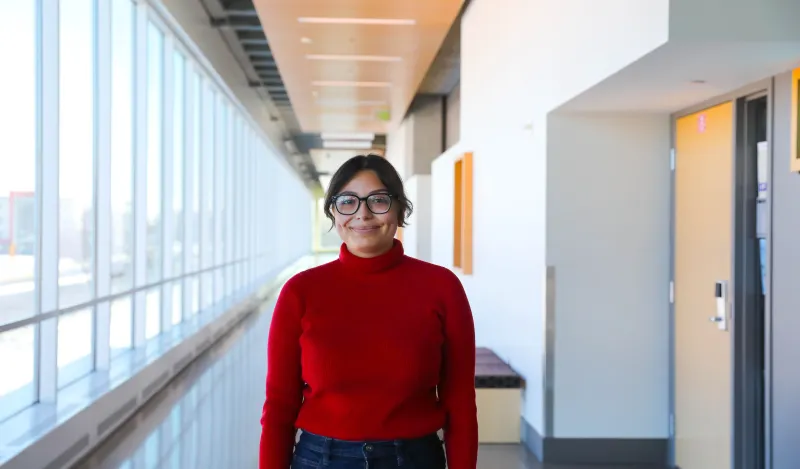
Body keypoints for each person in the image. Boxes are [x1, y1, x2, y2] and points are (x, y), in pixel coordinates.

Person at [259, 154, 478, 469]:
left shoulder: (442, 288)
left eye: (378, 200)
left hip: (415, 460)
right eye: (348, 201)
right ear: (333, 212)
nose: (362, 214)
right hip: (320, 459)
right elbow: (279, 405)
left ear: (400, 208)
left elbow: (459, 403)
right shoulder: (300, 292)